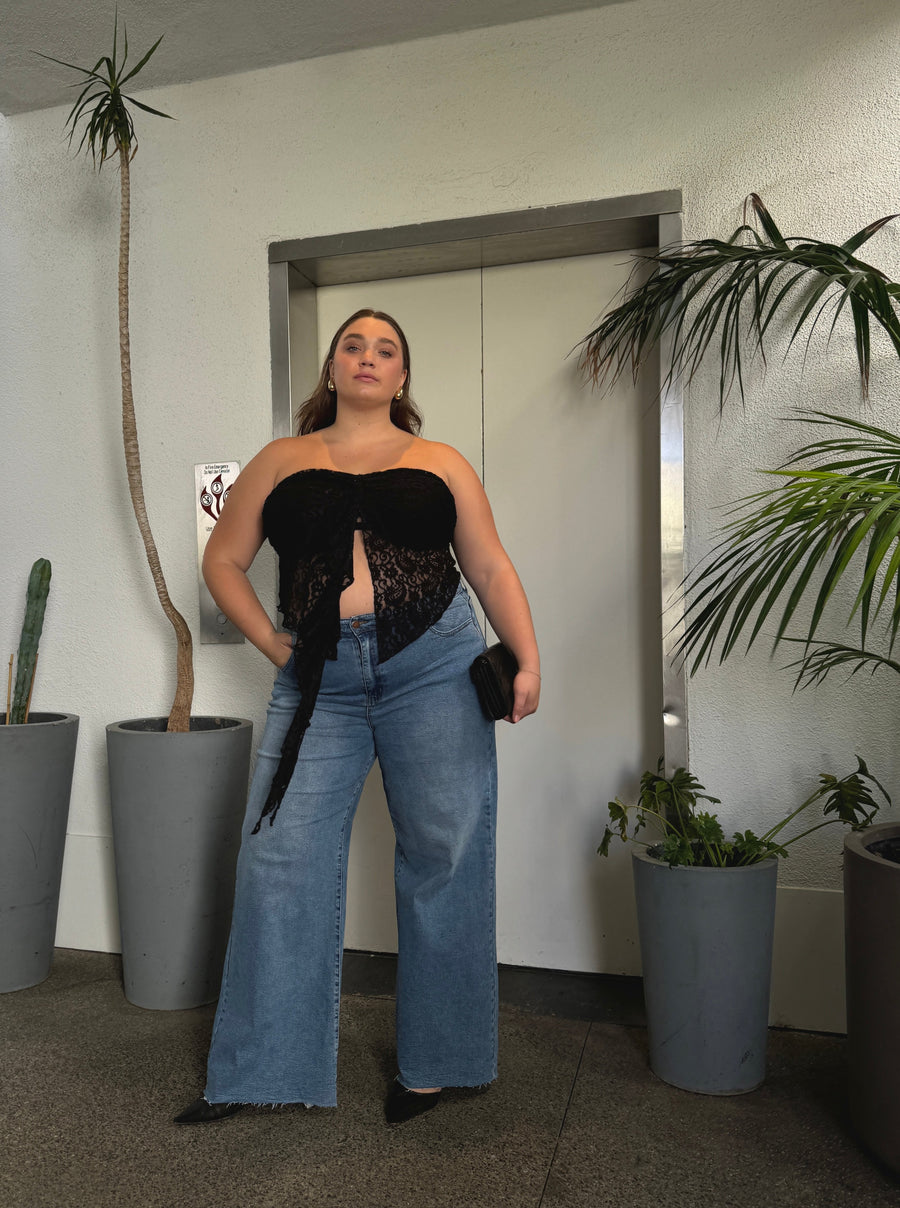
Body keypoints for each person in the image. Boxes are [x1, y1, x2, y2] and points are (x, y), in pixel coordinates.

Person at [174, 308, 540, 1126]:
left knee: (445, 854)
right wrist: (272, 644)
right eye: (353, 345)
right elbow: (222, 559)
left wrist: (529, 658)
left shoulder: (440, 461)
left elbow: (488, 564)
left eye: (386, 350)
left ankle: (438, 1063)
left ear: (401, 377)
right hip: (319, 681)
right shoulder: (281, 458)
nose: (368, 357)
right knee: (279, 857)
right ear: (333, 369)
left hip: (435, 667)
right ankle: (262, 1070)